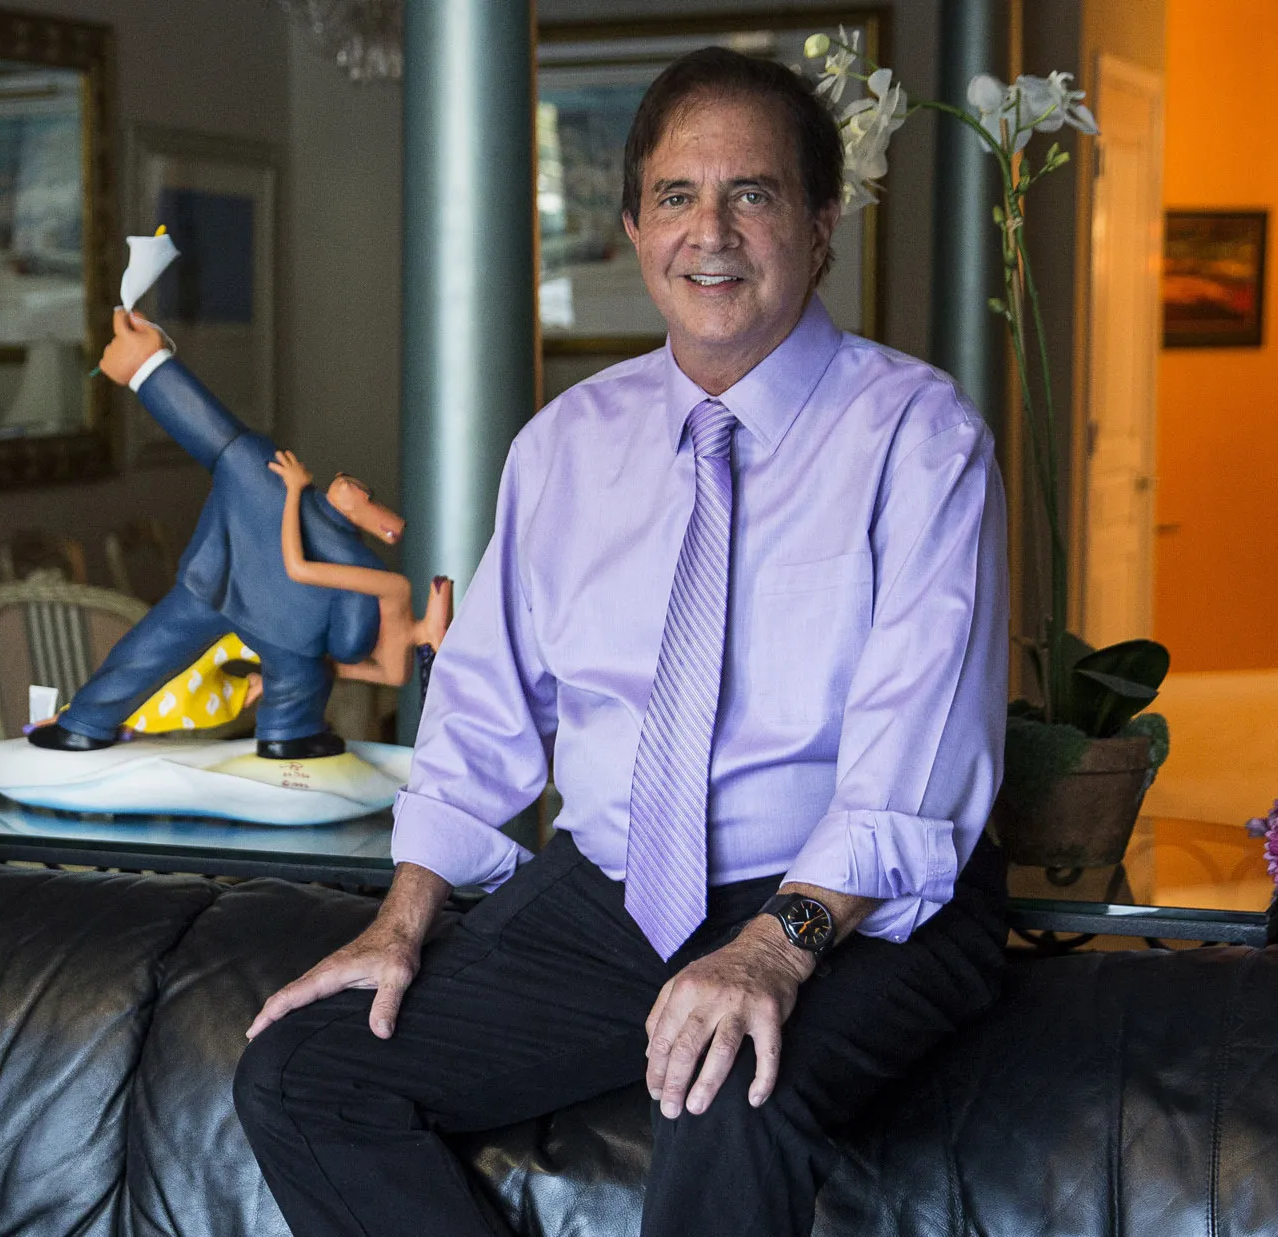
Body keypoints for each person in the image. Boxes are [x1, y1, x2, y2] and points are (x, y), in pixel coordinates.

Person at [232, 46, 1011, 1237]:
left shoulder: (916, 437)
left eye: (751, 194)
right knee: (308, 1072)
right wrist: (401, 919)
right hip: (618, 900)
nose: (713, 231)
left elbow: (915, 755)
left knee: (723, 1086)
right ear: (636, 229)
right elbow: (482, 712)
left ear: (819, 224)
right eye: (676, 197)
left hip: (853, 901)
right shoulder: (562, 447)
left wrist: (770, 949)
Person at [29, 309, 408, 761]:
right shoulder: (356, 563)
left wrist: (147, 368)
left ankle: (84, 725)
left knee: (147, 652)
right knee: (297, 684)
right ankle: (288, 737)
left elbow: (210, 430)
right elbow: (349, 642)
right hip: (283, 638)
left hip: (211, 588)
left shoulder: (261, 468)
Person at [267, 449, 453, 688]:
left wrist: (294, 489)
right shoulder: (397, 666)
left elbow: (297, 568)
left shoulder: (395, 590)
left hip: (356, 638)